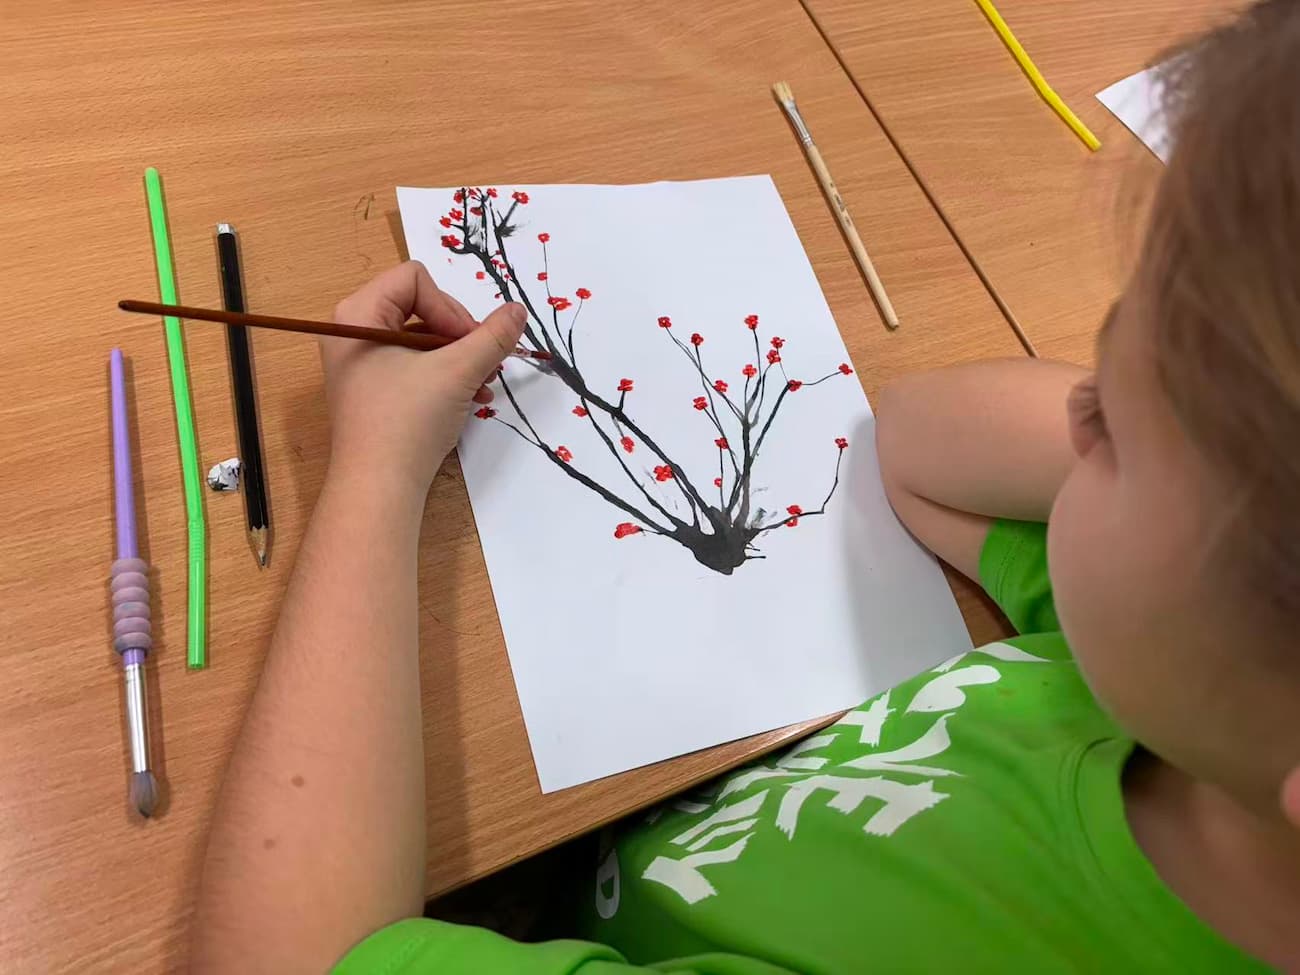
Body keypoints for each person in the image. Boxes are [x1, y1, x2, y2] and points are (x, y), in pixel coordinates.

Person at [190, 3, 1300, 971]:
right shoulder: (1177, 692)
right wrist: (1192, 411)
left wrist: (377, 464)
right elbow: (912, 447)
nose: (1074, 409)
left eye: (1110, 431)